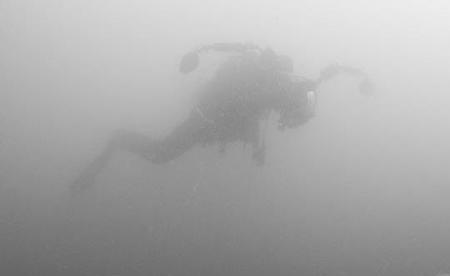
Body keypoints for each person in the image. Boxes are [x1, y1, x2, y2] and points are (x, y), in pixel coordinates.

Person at [71, 43, 372, 191]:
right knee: (161, 154)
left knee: (162, 154)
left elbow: (260, 110)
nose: (287, 121)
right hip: (206, 120)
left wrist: (257, 143)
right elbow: (256, 105)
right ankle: (117, 139)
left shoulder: (269, 86)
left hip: (211, 123)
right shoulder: (266, 85)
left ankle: (115, 144)